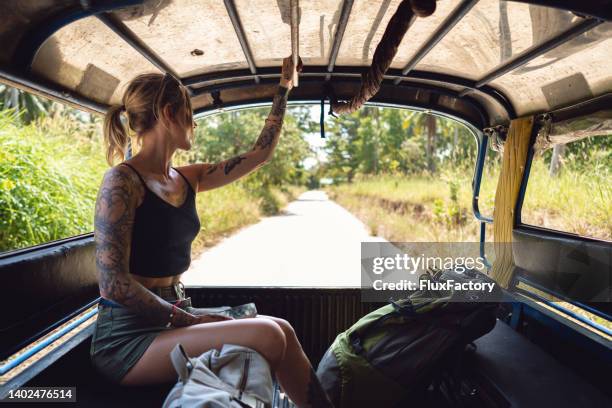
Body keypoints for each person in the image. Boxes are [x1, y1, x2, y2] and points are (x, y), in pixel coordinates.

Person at [91, 56, 332, 407]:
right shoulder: (122, 181)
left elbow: (259, 155)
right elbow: (113, 283)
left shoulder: (188, 177)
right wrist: (187, 318)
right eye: (189, 114)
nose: (194, 125)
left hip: (171, 319)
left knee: (282, 328)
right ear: (169, 113)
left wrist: (284, 89)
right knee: (267, 334)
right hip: (129, 339)